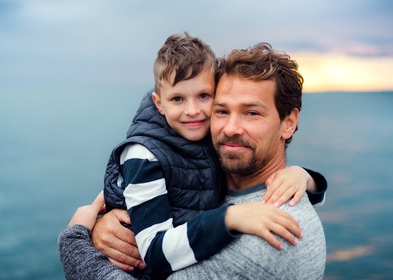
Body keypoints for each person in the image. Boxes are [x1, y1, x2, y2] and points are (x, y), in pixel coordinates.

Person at [58, 35, 327, 279]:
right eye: (221, 111)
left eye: (252, 113)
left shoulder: (266, 239)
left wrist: (76, 243)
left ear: (288, 122)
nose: (230, 128)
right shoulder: (206, 159)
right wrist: (104, 225)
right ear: (159, 103)